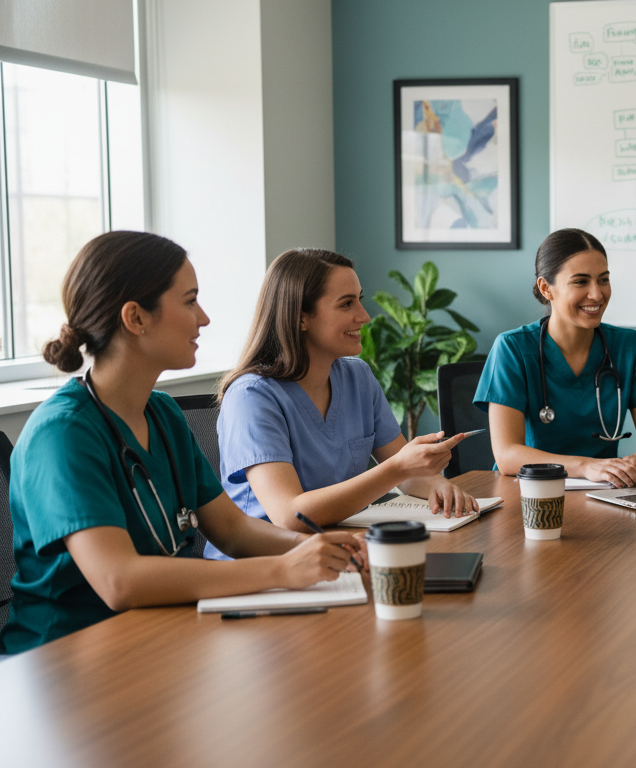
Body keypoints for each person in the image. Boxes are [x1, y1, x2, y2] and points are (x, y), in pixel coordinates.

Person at [0, 232, 365, 654]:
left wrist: (321, 551)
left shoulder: (163, 414)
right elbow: (120, 581)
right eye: (190, 301)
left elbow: (232, 529)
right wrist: (283, 569)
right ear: (136, 318)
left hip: (158, 638)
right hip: (65, 661)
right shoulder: (62, 434)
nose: (204, 318)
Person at [206, 249, 476, 560]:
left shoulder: (357, 376)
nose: (364, 316)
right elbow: (290, 516)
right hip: (263, 567)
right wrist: (399, 468)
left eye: (359, 300)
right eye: (347, 304)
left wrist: (436, 485)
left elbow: (406, 470)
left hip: (338, 551)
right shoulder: (252, 396)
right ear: (301, 317)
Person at [474, 229, 636, 487]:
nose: (597, 294)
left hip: (605, 494)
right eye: (580, 282)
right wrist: (587, 466)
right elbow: (507, 456)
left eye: (603, 280)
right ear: (546, 288)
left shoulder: (628, 346)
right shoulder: (513, 348)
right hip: (530, 494)